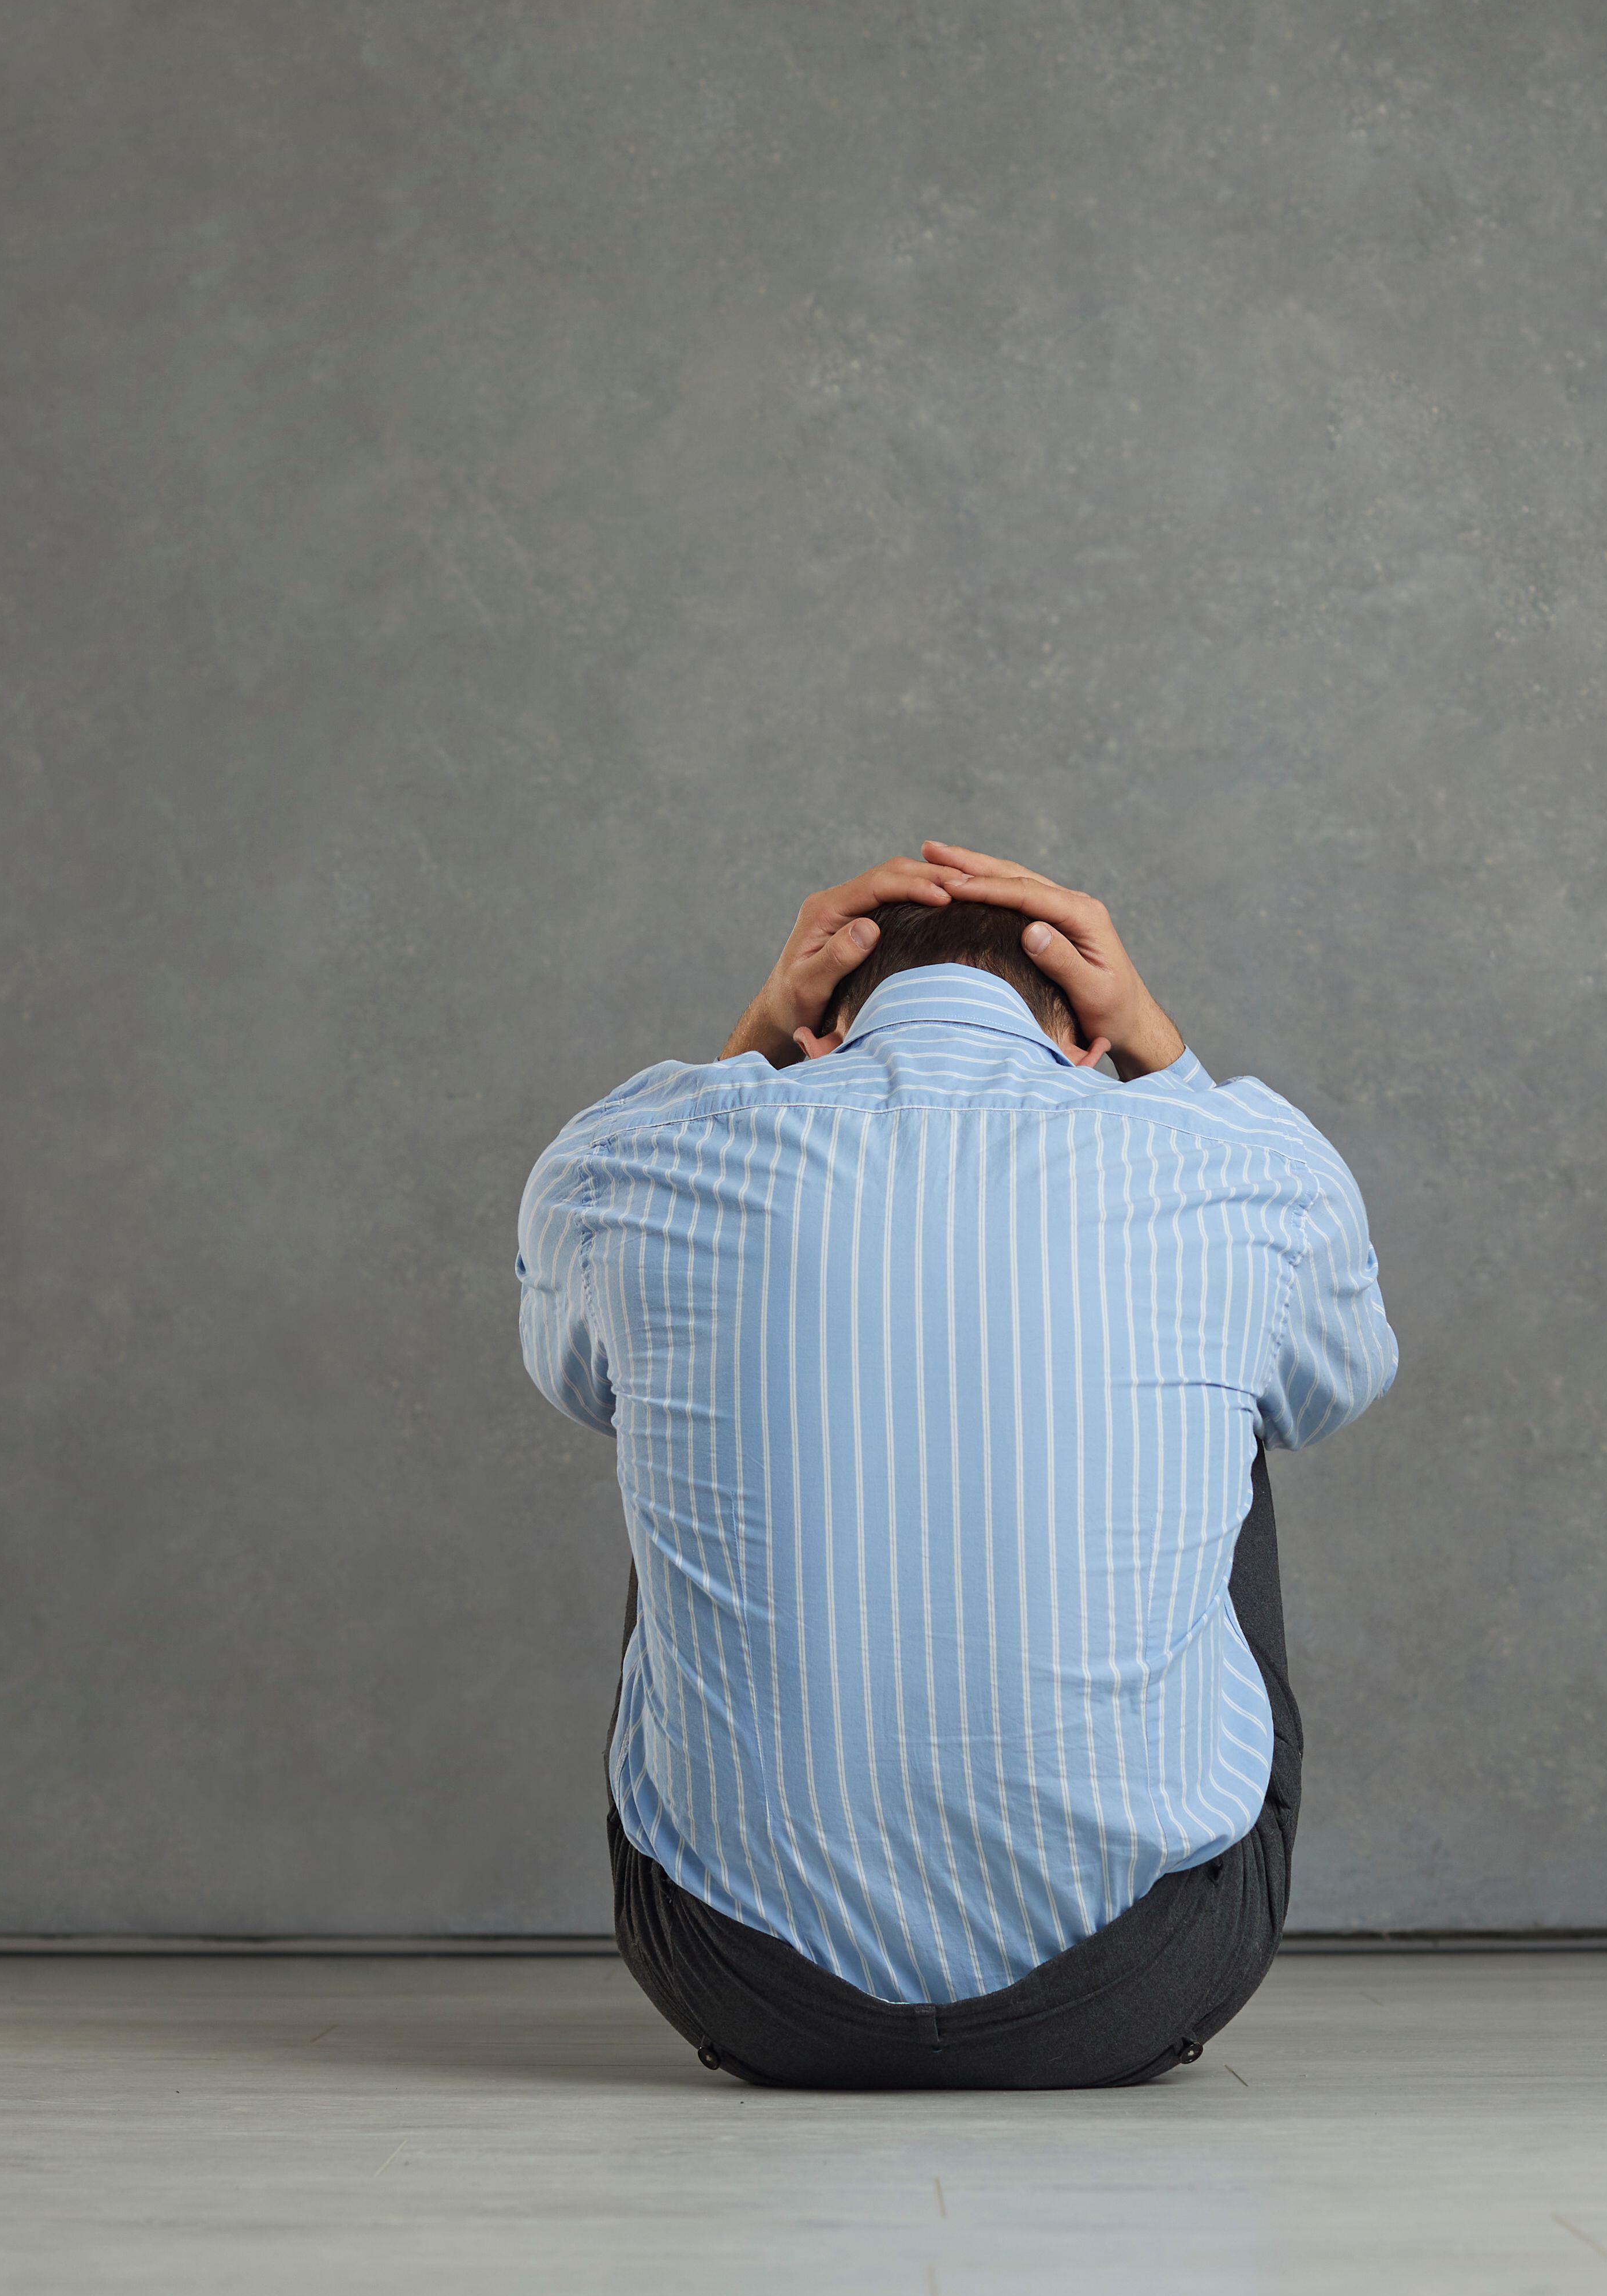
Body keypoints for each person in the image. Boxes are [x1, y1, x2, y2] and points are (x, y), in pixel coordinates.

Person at [514, 841, 1398, 2087]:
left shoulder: (622, 1168)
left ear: (824, 1024)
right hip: (1140, 1982)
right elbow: (1333, 1381)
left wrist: (758, 1038)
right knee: (1241, 1383)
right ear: (1082, 1033)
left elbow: (573, 1376)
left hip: (736, 1982)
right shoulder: (1246, 1168)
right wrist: (1160, 1045)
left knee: (672, 1381)